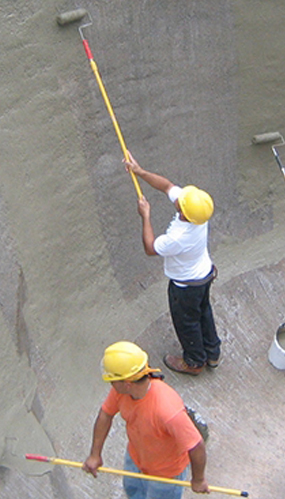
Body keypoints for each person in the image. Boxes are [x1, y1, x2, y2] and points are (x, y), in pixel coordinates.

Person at [123, 154, 221, 376]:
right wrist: (140, 171)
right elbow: (167, 186)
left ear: (184, 212)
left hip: (186, 287)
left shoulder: (179, 237)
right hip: (204, 275)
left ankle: (195, 362)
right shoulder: (199, 213)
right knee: (204, 312)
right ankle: (212, 352)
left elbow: (150, 248)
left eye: (181, 202)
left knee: (187, 323)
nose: (178, 198)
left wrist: (145, 216)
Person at [82, 341, 210, 497]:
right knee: (133, 492)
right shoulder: (121, 391)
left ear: (127, 383)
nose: (110, 384)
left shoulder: (168, 411)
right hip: (135, 459)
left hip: (165, 476)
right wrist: (95, 454)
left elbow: (196, 445)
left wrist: (198, 479)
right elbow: (105, 415)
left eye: (112, 380)